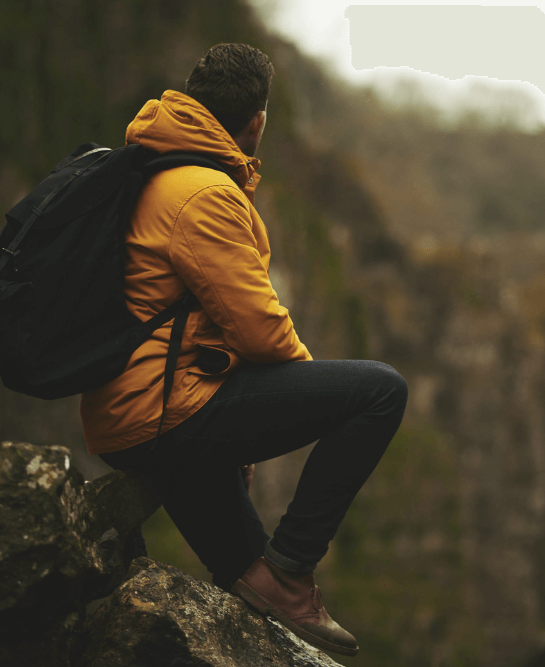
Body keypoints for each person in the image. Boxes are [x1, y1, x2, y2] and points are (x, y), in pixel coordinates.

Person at [80, 43, 407, 657]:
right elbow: (259, 328)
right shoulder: (203, 192)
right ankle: (295, 567)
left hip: (135, 416)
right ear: (256, 121)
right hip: (163, 414)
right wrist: (292, 406)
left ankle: (277, 584)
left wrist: (241, 419)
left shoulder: (151, 169)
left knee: (253, 591)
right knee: (380, 390)